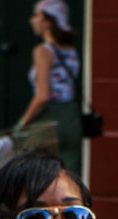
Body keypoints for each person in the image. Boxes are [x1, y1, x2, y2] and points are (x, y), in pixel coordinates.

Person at [14, 0, 83, 174]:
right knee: (68, 176)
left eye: (36, 15)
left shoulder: (43, 51)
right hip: (71, 117)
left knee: (32, 173)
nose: (32, 20)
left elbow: (43, 96)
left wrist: (22, 123)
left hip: (49, 120)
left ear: (48, 21)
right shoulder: (71, 50)